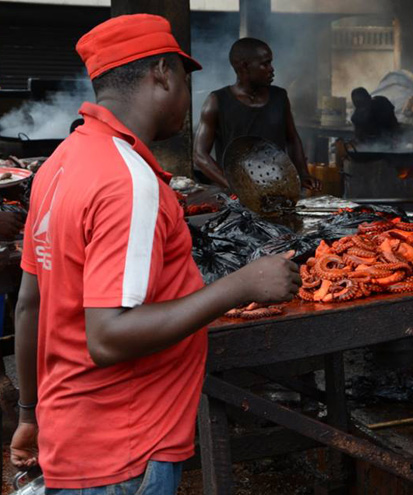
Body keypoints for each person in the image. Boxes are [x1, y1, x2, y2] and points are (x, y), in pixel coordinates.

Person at [9, 14, 301, 494]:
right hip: (126, 447)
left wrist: (29, 412)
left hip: (70, 433)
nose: (187, 97)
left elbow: (29, 304)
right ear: (162, 73)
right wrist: (242, 285)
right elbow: (108, 337)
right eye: (186, 81)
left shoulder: (60, 164)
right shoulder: (129, 180)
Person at [194, 38, 320, 191]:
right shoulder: (217, 101)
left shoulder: (279, 97)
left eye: (270, 63)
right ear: (245, 66)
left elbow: (292, 139)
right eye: (265, 64)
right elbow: (199, 154)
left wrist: (303, 173)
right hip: (236, 197)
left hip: (278, 187)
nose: (271, 69)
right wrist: (233, 185)